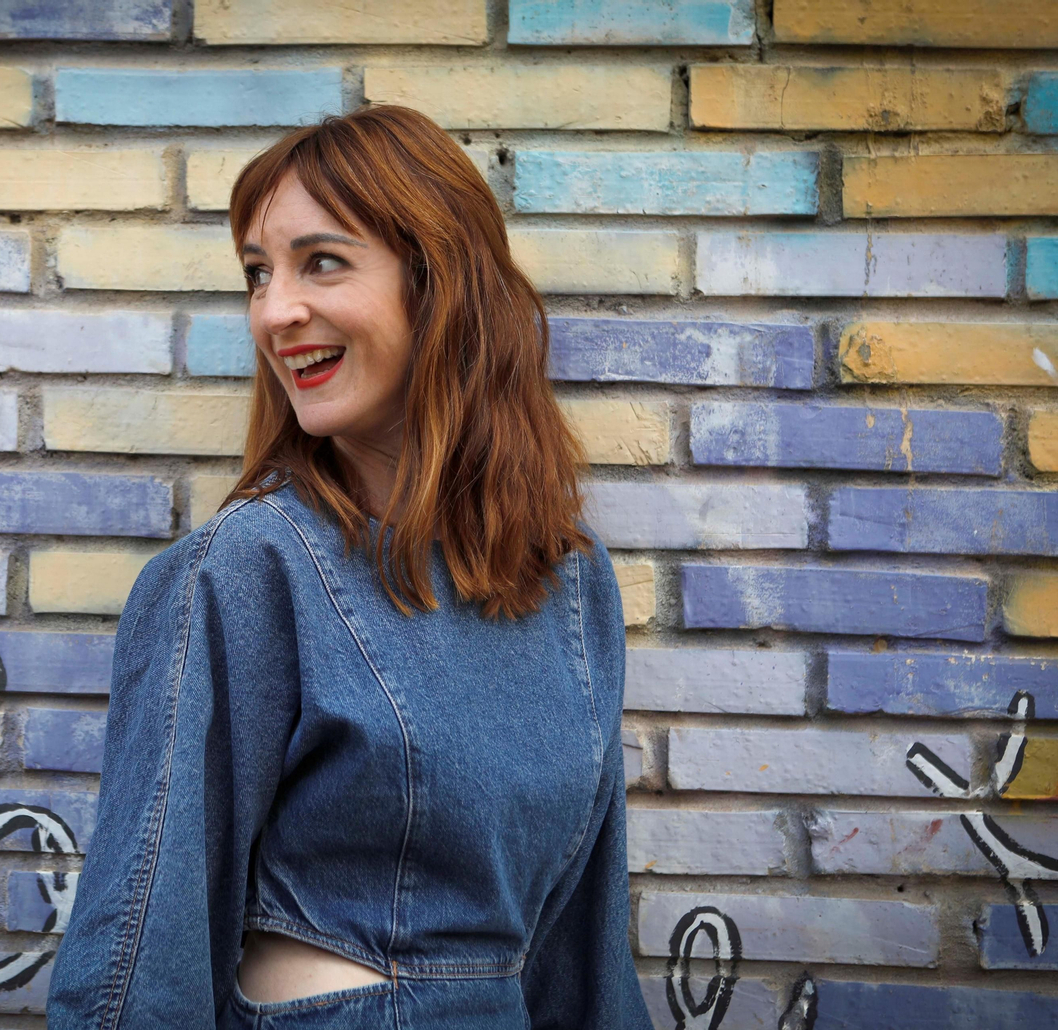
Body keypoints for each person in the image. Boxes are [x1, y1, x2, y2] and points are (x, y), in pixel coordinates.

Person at [47, 104, 652, 1030]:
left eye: (320, 261)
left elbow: (587, 945)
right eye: (257, 273)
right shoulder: (242, 573)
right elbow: (143, 937)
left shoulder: (569, 581)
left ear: (437, 281)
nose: (274, 310)